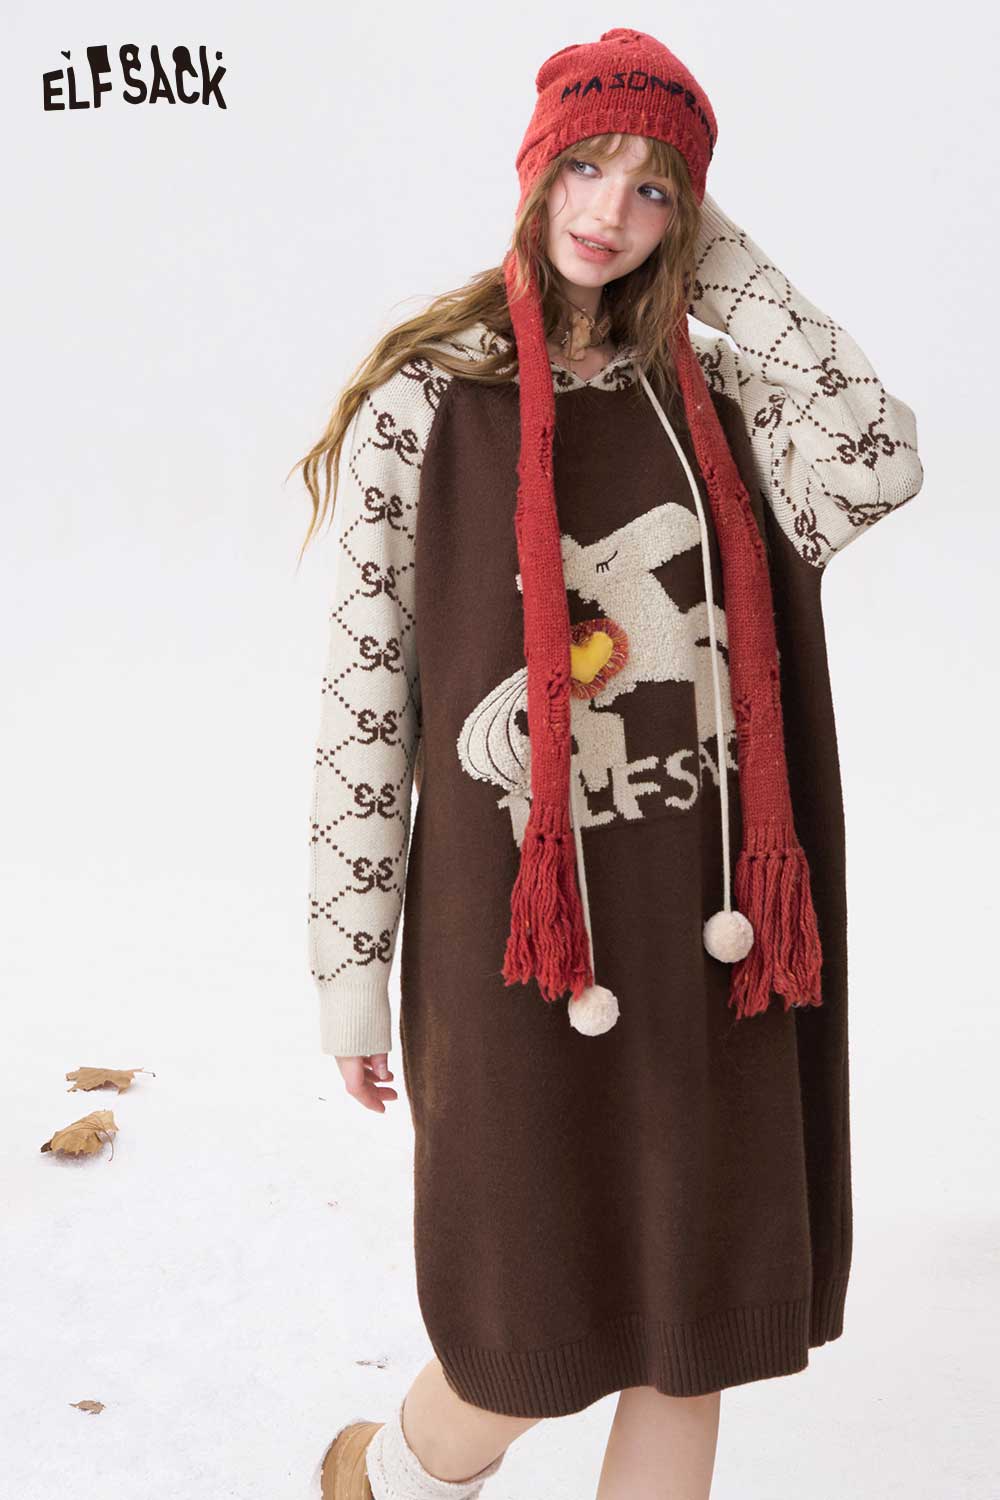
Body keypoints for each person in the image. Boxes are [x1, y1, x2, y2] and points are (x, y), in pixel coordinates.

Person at [295, 27, 924, 1500]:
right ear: (535, 170)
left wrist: (720, 264)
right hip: (523, 947)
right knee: (520, 1337)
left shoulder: (720, 399)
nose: (609, 212)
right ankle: (387, 1476)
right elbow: (366, 705)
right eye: (586, 167)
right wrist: (348, 971)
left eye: (654, 190)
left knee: (690, 1335)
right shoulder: (427, 407)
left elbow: (879, 457)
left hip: (717, 935)